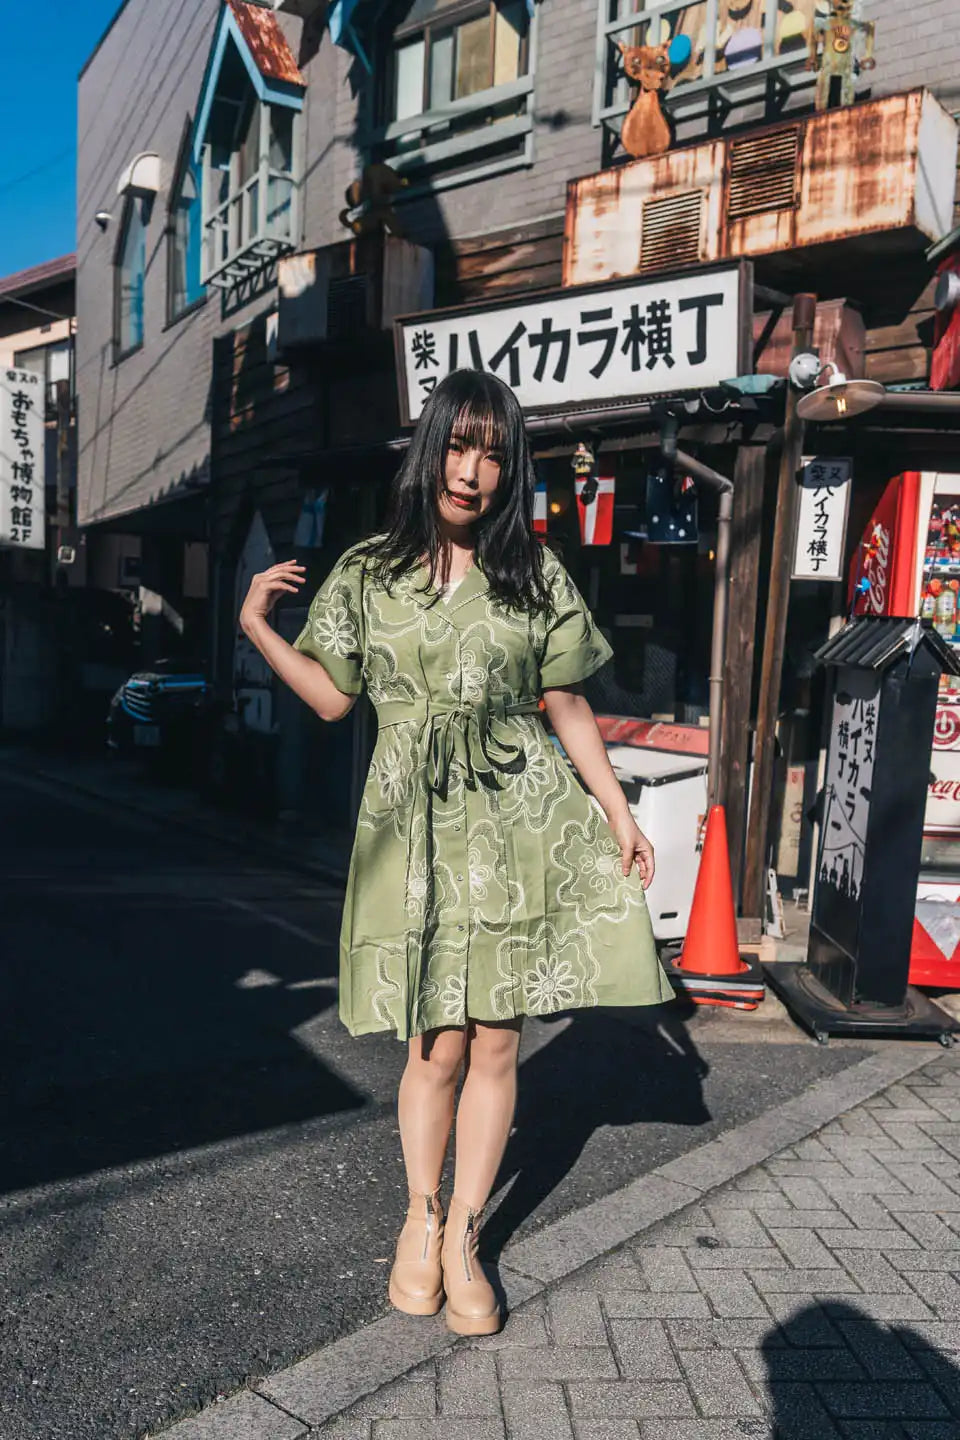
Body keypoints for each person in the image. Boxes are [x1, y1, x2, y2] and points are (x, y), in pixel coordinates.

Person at [239, 369, 673, 1337]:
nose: (471, 472)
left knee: (499, 1040)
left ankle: (467, 1235)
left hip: (511, 824)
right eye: (459, 445)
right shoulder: (369, 572)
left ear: (509, 469)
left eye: (492, 454)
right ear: (430, 444)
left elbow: (564, 701)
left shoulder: (532, 574)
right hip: (414, 835)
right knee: (433, 1044)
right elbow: (331, 697)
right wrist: (256, 626)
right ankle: (420, 1218)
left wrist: (616, 810)